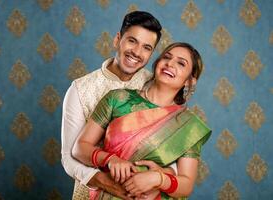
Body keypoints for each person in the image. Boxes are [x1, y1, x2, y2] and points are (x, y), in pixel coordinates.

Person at [73, 42, 212, 199]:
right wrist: (110, 159)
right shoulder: (118, 99)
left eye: (181, 63)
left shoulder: (188, 125)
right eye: (166, 57)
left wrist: (158, 179)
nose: (170, 63)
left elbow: (186, 185)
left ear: (189, 81)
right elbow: (80, 148)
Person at [61, 11, 170, 199]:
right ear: (117, 39)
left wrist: (157, 179)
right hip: (91, 194)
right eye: (132, 41)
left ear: (151, 53)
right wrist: (110, 184)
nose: (136, 52)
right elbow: (68, 158)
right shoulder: (80, 89)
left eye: (146, 47)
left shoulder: (155, 85)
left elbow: (172, 146)